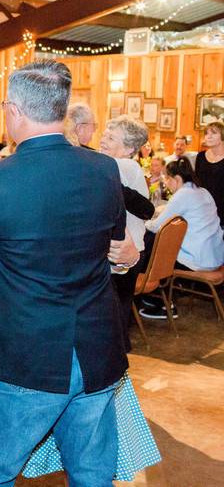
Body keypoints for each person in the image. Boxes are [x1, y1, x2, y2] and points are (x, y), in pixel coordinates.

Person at [0, 60, 131, 485]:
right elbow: (114, 244)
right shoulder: (104, 169)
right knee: (91, 474)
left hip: (27, 355)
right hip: (96, 346)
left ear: (14, 111)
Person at [140, 157, 224, 319]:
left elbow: (157, 225)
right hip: (215, 257)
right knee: (159, 242)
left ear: (177, 179)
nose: (166, 182)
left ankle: (160, 302)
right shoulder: (203, 191)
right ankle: (153, 296)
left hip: (198, 261)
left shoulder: (184, 194)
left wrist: (144, 223)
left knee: (152, 243)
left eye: (167, 178)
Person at [99, 116, 150, 351]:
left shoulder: (121, 165)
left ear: (129, 148)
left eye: (111, 137)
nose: (103, 139)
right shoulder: (132, 167)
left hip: (121, 250)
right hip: (133, 248)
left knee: (112, 311)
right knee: (121, 306)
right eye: (105, 134)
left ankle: (115, 358)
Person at [195, 122, 224, 228]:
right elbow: (197, 183)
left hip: (221, 213)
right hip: (203, 211)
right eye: (206, 133)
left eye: (214, 133)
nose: (209, 136)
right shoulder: (201, 156)